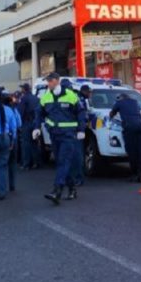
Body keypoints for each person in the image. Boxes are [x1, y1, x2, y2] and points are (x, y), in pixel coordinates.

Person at [34, 72, 87, 205]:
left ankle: (57, 191)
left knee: (63, 161)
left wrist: (81, 129)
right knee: (61, 163)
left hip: (69, 135)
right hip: (54, 135)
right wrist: (36, 127)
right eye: (48, 81)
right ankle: (72, 188)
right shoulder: (46, 96)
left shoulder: (71, 95)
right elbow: (39, 113)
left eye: (50, 81)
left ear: (57, 80)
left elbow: (81, 113)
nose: (48, 83)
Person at [110, 93, 141, 182]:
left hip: (130, 127)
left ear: (121, 98)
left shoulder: (120, 102)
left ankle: (135, 174)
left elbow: (112, 113)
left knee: (132, 151)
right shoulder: (135, 102)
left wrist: (111, 116)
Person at [69, 83, 93, 186]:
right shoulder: (78, 99)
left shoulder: (80, 98)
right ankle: (77, 178)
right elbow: (82, 115)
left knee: (75, 155)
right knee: (77, 155)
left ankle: (76, 178)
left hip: (72, 130)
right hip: (76, 130)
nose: (90, 94)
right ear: (84, 91)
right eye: (89, 92)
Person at [17, 83, 42, 170]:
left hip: (27, 122)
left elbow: (20, 111)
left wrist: (19, 124)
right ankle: (36, 162)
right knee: (35, 143)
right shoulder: (36, 98)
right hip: (35, 122)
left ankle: (26, 164)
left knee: (26, 144)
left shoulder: (24, 98)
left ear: (24, 89)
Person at [5, 92, 22, 192]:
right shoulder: (14, 110)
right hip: (12, 138)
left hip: (2, 137)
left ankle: (2, 185)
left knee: (1, 164)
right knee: (12, 163)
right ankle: (12, 185)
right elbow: (19, 123)